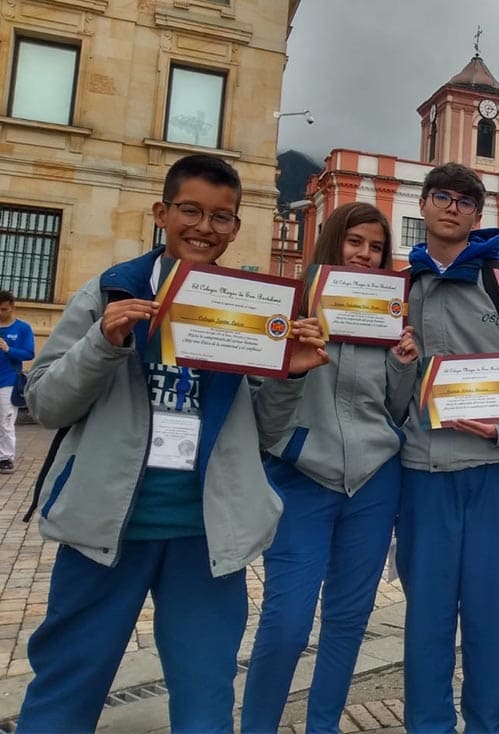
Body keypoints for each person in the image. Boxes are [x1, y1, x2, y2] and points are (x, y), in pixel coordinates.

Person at [17, 154, 328, 733]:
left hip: (206, 536)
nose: (205, 228)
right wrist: (102, 344)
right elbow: (46, 403)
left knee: (206, 696)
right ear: (162, 212)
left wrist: (292, 376)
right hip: (107, 530)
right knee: (65, 686)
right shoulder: (112, 288)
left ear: (237, 226)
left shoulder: (247, 308)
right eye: (190, 210)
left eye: (222, 217)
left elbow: (265, 431)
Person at [241, 202, 417, 733]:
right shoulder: (290, 309)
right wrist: (290, 365)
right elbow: (265, 425)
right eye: (354, 242)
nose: (365, 255)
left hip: (374, 483)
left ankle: (323, 726)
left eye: (376, 247)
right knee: (287, 622)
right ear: (332, 243)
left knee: (347, 620)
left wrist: (403, 364)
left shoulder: (389, 313)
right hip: (300, 478)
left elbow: (393, 409)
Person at [393, 162, 499, 734]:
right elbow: (389, 387)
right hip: (426, 471)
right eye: (442, 196)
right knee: (428, 619)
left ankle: (487, 723)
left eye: (465, 200)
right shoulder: (401, 287)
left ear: (476, 213)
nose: (453, 207)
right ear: (425, 204)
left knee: (491, 617)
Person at [0, 291, 34, 474]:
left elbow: (29, 353)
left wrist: (8, 348)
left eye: (4, 309)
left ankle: (6, 458)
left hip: (8, 382)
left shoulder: (22, 328)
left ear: (12, 307)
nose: (0, 313)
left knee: (6, 420)